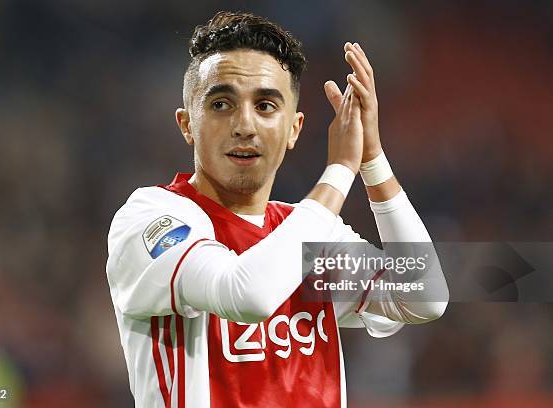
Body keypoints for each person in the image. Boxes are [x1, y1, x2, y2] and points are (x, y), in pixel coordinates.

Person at [106, 11, 448, 408]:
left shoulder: (306, 233)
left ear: (294, 129)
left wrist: (371, 158)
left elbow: (423, 296)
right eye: (221, 104)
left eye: (266, 105)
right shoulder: (151, 220)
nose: (244, 125)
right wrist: (339, 170)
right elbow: (246, 293)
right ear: (186, 124)